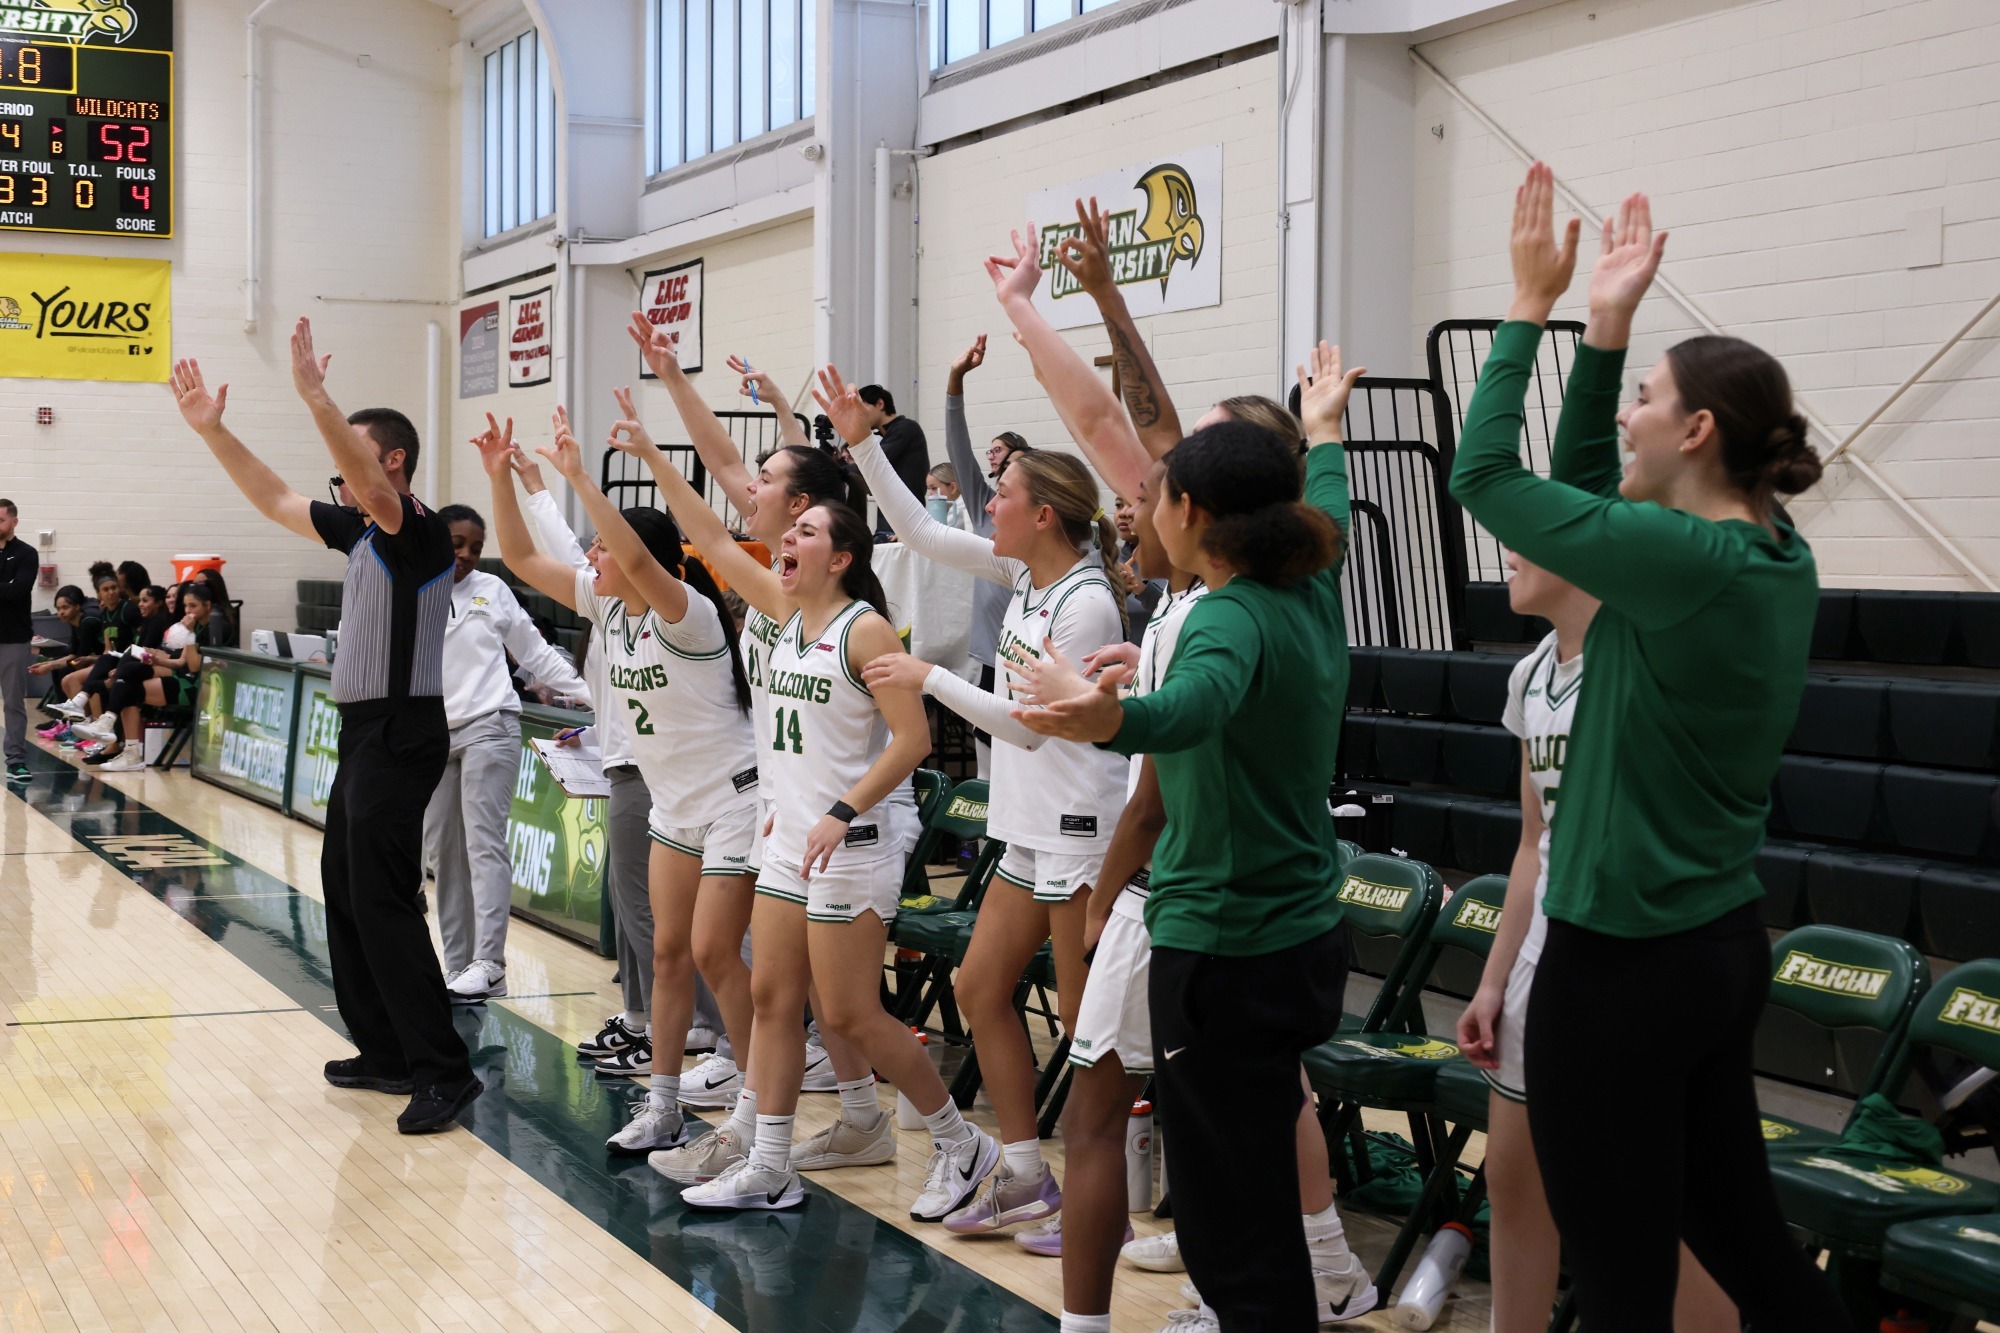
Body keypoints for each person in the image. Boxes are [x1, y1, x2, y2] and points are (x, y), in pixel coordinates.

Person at [1448, 163, 1845, 1330]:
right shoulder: (1761, 552)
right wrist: (1606, 328)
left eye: (1640, 397)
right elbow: (1579, 495)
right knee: (1747, 1251)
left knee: (1620, 1278)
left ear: (1697, 427)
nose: (1622, 411)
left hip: (1622, 967)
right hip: (1711, 949)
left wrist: (1529, 308)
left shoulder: (1684, 564)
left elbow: (1484, 476)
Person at [1014, 340, 1364, 1333]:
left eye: (1158, 491)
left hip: (1223, 944)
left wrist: (1101, 715)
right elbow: (1327, 496)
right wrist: (1325, 420)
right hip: (1299, 933)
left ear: (1191, 517)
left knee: (1227, 1223)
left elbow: (1190, 710)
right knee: (1251, 1197)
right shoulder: (1311, 574)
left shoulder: (1225, 617)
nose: (1142, 503)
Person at [611, 401, 1000, 1217]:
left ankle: (963, 1144)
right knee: (771, 999)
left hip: (850, 840)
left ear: (843, 555)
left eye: (806, 535)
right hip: (786, 839)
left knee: (853, 1012)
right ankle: (772, 1161)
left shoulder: (866, 632)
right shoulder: (786, 617)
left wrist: (838, 807)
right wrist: (647, 451)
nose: (785, 544)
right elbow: (712, 541)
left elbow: (913, 742)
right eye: (789, 536)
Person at [837, 355, 1127, 1237]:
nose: (984, 502)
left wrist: (930, 676)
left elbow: (1035, 725)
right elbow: (922, 534)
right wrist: (864, 448)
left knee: (1087, 1031)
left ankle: (1099, 1198)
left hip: (1080, 832)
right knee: (976, 985)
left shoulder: (1087, 604)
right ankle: (1026, 1170)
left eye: (999, 493)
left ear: (1042, 514)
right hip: (1029, 828)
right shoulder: (1028, 578)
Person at [170, 317, 481, 1135]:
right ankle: (382, 1050)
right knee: (346, 891)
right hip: (363, 732)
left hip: (404, 730)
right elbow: (273, 495)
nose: (338, 484)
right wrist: (213, 431)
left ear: (393, 462)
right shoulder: (358, 530)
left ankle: (444, 1071)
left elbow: (368, 489)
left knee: (383, 899)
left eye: (352, 460)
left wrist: (316, 396)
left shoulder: (416, 532)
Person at [1455, 551, 1736, 1332]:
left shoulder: (1645, 656)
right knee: (1514, 1183)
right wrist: (1492, 981)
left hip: (1626, 956)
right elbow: (1530, 844)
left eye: (1523, 536)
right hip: (1541, 953)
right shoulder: (1531, 672)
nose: (1506, 552)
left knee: (1644, 1208)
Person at [476, 404, 761, 1160]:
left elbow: (633, 559)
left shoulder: (687, 611)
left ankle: (758, 1106)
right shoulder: (607, 607)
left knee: (715, 953)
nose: (592, 557)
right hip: (675, 804)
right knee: (668, 954)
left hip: (735, 797)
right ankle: (663, 1103)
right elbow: (518, 556)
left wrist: (576, 475)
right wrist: (499, 478)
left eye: (603, 547)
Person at [426, 503, 589, 1004]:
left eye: (476, 548)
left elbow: (538, 656)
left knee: (484, 843)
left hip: (490, 726)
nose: (467, 555)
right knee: (444, 855)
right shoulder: (410, 591)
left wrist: (595, 695)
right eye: (457, 544)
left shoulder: (491, 592)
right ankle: (458, 967)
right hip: (432, 737)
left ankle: (489, 962)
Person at [942, 334, 1034, 772]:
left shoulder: (1043, 527)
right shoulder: (983, 504)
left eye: (1005, 456)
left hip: (1031, 664)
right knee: (988, 772)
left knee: (1027, 768)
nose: (996, 463)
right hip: (988, 659)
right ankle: (983, 845)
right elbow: (957, 447)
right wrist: (955, 382)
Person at [79, 582, 218, 773]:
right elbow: (180, 662)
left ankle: (114, 730)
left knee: (127, 684)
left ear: (207, 605)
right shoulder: (197, 626)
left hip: (198, 687)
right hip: (183, 676)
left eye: (193, 606)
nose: (187, 610)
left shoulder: (212, 627)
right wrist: (157, 660)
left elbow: (194, 667)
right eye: (186, 606)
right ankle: (124, 744)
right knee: (127, 682)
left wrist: (189, 633)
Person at [854, 383, 929, 536]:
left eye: (862, 407)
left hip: (902, 525)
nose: (859, 414)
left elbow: (870, 464)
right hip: (892, 522)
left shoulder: (906, 428)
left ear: (880, 404)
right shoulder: (889, 436)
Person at [0, 500, 38, 782]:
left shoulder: (27, 553)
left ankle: (16, 761)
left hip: (13, 638)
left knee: (13, 702)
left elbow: (18, 591)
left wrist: (10, 588)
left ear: (14, 521)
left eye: (1, 520)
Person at [193, 567, 241, 647]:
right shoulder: (198, 615)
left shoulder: (221, 618)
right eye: (194, 585)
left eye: (200, 584)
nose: (196, 589)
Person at [925, 463, 973, 530]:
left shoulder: (960, 509)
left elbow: (935, 533)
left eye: (934, 488)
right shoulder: (952, 507)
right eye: (928, 489)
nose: (930, 494)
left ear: (953, 488)